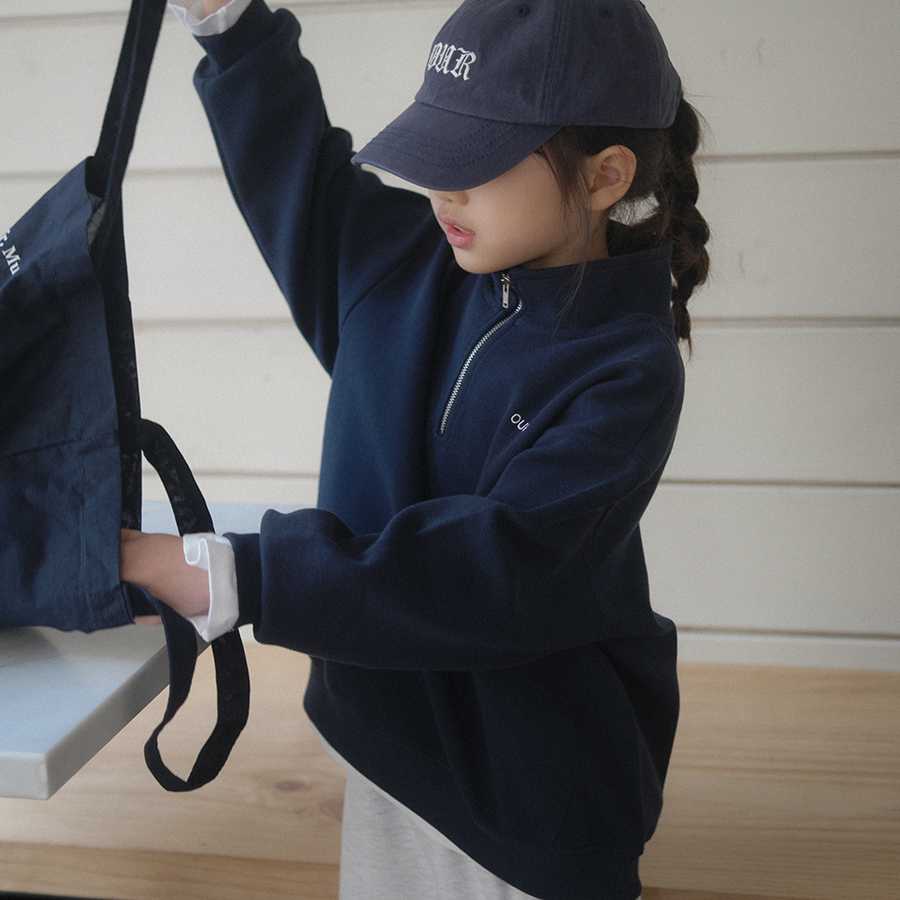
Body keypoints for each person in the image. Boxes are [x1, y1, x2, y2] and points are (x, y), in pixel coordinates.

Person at [121, 0, 710, 897]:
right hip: (389, 756)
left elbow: (498, 568)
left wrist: (230, 575)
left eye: (475, 162)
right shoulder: (401, 264)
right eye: (436, 152)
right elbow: (297, 173)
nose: (442, 192)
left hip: (530, 806)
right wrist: (226, 22)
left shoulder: (626, 372)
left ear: (604, 177)